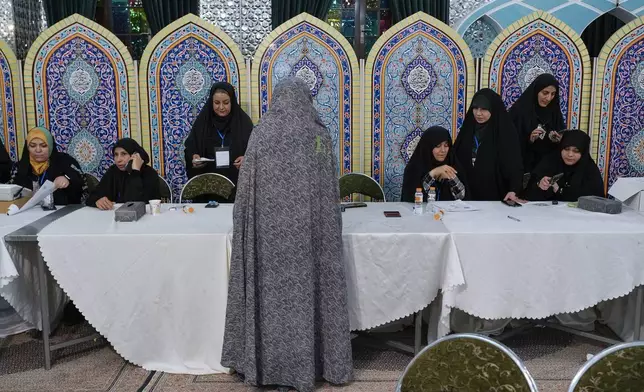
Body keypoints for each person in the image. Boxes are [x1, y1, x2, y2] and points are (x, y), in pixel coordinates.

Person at [221, 78, 352, 392]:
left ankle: (265, 367)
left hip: (269, 243)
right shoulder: (319, 134)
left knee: (271, 304)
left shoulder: (261, 133)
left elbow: (246, 193)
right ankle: (319, 364)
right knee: (311, 298)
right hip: (311, 241)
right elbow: (328, 192)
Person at [453, 89, 524, 202]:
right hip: (466, 198)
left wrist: (513, 189)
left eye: (484, 109)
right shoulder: (468, 130)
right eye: (475, 108)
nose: (478, 113)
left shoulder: (505, 133)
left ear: (493, 110)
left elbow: (514, 166)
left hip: (495, 199)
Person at [184, 82, 253, 188]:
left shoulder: (243, 123)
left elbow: (255, 151)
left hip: (237, 184)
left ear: (232, 102)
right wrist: (194, 157)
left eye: (226, 103)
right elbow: (190, 147)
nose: (221, 107)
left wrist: (246, 159)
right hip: (207, 185)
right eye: (216, 103)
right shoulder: (203, 122)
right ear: (211, 102)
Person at [11, 127, 86, 205]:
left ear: (50, 146)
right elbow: (10, 192)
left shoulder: (65, 161)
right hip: (27, 213)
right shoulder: (20, 167)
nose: (38, 150)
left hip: (60, 211)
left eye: (43, 146)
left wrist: (66, 178)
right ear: (27, 147)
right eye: (33, 146)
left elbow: (79, 178)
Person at [510, 73, 566, 173]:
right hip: (524, 168)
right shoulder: (519, 111)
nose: (549, 98)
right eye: (545, 93)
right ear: (536, 91)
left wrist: (559, 140)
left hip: (548, 169)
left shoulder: (554, 112)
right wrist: (529, 140)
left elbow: (563, 140)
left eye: (553, 94)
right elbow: (509, 143)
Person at [526, 130, 604, 202]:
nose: (570, 154)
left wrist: (560, 191)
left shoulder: (589, 168)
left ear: (583, 153)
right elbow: (528, 195)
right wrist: (539, 186)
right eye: (566, 149)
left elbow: (596, 199)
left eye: (576, 151)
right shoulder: (550, 162)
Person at [86, 138, 160, 210]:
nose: (118, 160)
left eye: (123, 154)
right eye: (116, 154)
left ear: (135, 155)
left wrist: (135, 172)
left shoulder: (149, 174)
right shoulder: (113, 171)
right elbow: (91, 198)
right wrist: (97, 201)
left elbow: (135, 204)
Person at [401, 126, 468, 202]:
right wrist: (433, 174)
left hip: (449, 213)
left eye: (446, 145)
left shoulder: (453, 164)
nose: (443, 150)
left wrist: (451, 178)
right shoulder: (414, 168)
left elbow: (463, 197)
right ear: (428, 147)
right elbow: (411, 199)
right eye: (437, 146)